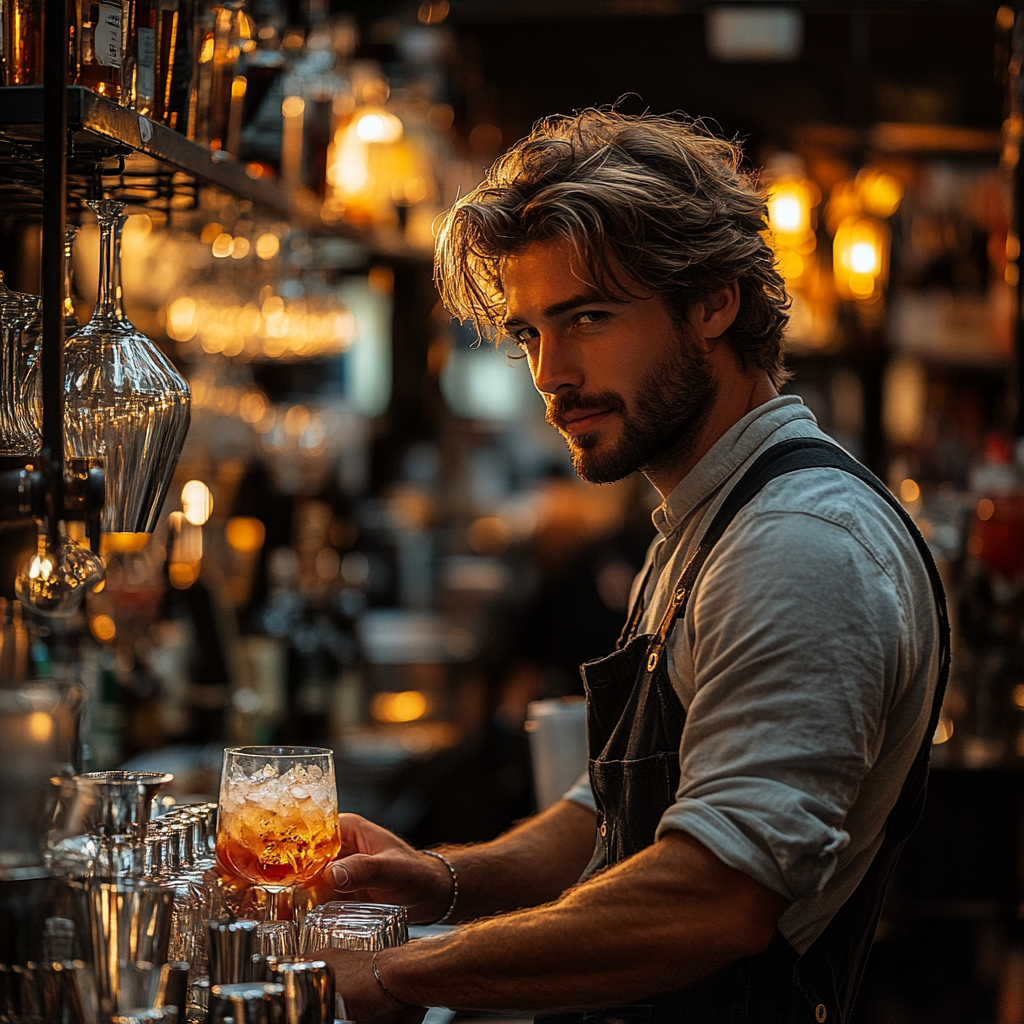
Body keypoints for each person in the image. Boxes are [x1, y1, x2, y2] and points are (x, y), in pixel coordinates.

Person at [314, 109, 949, 1024]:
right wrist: (435, 883)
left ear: (713, 303)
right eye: (530, 333)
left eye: (588, 319)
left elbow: (714, 896)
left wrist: (404, 971)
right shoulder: (708, 516)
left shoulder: (797, 542)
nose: (551, 373)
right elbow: (609, 812)